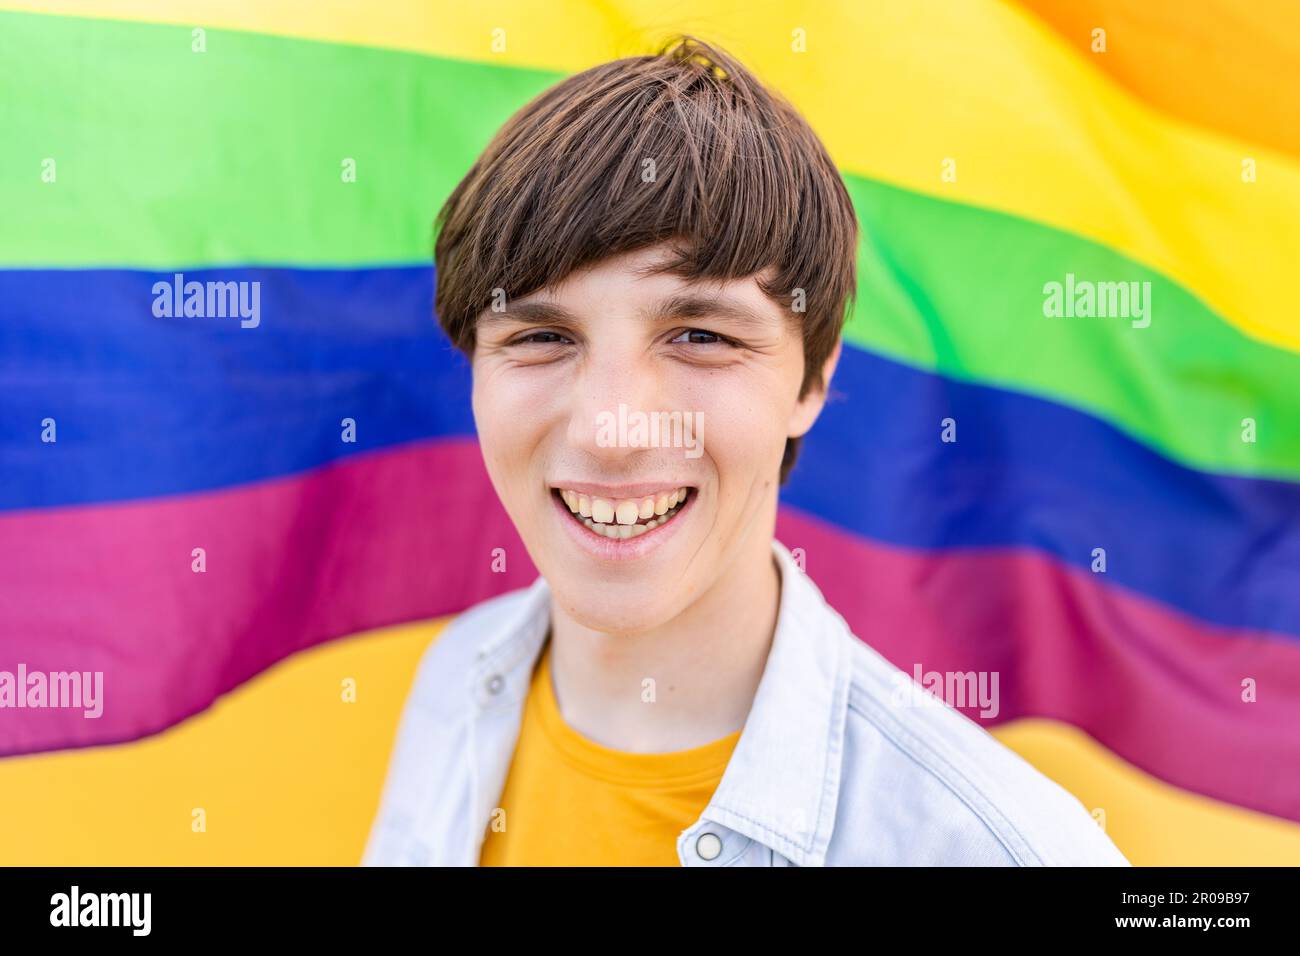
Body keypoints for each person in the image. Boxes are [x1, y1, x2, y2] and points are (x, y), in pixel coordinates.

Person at [363, 35, 1129, 867]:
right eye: (543, 336)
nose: (612, 430)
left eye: (700, 335)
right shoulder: (456, 682)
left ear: (811, 379)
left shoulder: (997, 847)